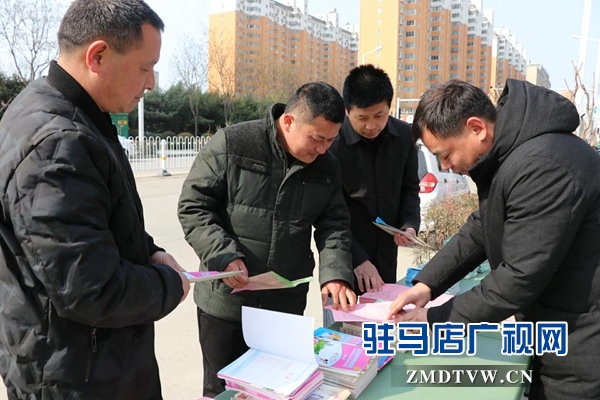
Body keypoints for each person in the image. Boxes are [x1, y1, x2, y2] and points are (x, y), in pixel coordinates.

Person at [0, 1, 190, 398]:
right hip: (79, 376)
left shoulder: (65, 113)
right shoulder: (58, 141)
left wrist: (150, 251)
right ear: (98, 56)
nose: (151, 83)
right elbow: (91, 289)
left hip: (84, 360)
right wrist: (171, 283)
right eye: (146, 67)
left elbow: (99, 220)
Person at [387, 79, 600, 400]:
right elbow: (482, 228)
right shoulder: (516, 154)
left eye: (445, 154)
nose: (445, 166)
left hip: (581, 348)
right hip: (556, 328)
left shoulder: (542, 166)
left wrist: (434, 318)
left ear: (476, 128)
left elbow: (518, 278)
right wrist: (427, 285)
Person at [178, 82, 357, 397]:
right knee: (223, 391)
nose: (322, 149)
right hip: (227, 303)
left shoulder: (327, 167)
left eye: (331, 140)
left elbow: (335, 225)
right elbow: (194, 206)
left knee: (279, 389)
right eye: (317, 138)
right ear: (288, 121)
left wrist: (336, 274)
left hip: (284, 305)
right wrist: (224, 255)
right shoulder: (234, 143)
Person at [330, 64, 421, 294]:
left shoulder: (404, 137)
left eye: (379, 115)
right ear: (347, 111)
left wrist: (409, 225)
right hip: (343, 254)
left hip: (386, 254)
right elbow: (327, 212)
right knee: (343, 315)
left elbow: (410, 188)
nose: (371, 126)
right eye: (362, 118)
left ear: (389, 106)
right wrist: (357, 258)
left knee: (382, 313)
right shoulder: (332, 144)